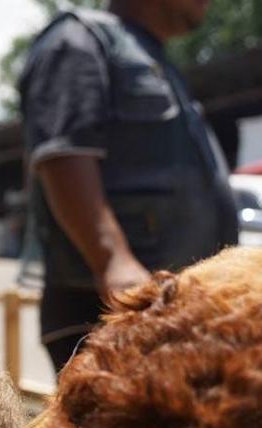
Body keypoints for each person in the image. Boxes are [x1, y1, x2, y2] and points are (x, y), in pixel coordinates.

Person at [19, 0, 238, 371]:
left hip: (167, 305)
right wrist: (112, 260)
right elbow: (64, 154)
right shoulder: (80, 39)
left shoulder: (152, 56)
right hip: (112, 309)